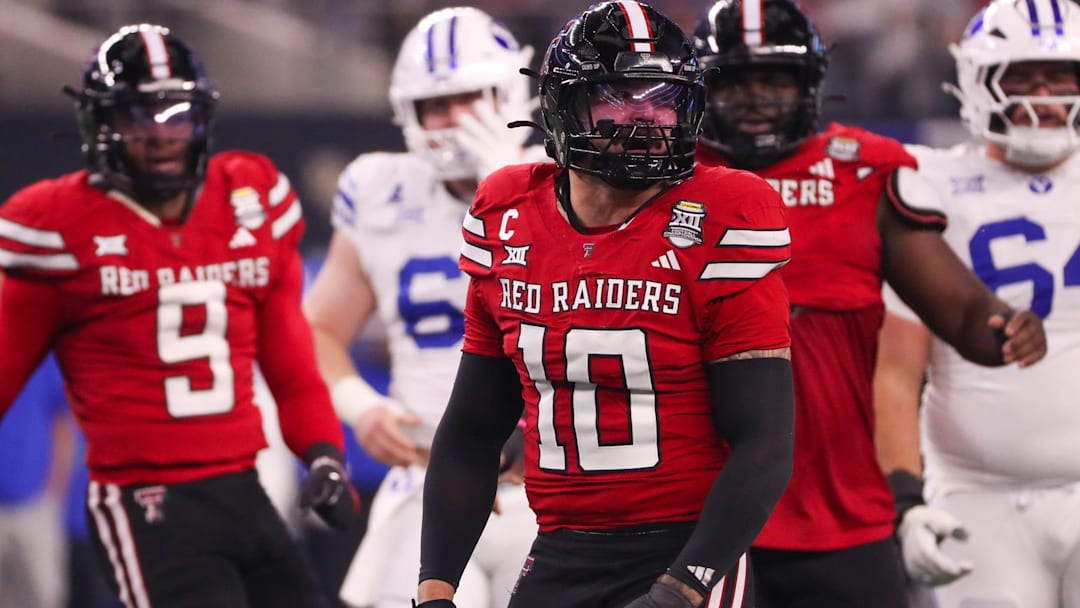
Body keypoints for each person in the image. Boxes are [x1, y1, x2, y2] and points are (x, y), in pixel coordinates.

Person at [416, 2, 798, 607]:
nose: (645, 120)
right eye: (619, 98)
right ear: (566, 107)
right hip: (562, 547)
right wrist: (434, 588)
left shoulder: (723, 218)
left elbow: (766, 441)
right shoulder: (508, 216)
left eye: (662, 100)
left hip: (685, 547)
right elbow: (470, 428)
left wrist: (682, 588)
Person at [690, 1, 1047, 606]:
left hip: (839, 510)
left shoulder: (866, 171)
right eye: (734, 81)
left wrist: (1003, 328)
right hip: (698, 514)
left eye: (773, 80)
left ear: (809, 85)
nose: (755, 98)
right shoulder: (663, 179)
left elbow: (963, 314)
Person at [0, 24, 357, 608]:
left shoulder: (250, 198)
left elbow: (292, 369)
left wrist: (323, 453)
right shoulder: (59, 224)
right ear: (102, 126)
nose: (163, 136)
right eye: (141, 116)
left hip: (244, 490)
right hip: (145, 500)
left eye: (177, 115)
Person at [302, 7, 541, 608]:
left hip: (550, 485)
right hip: (426, 483)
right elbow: (319, 329)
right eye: (437, 104)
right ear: (406, 113)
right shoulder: (381, 189)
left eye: (472, 98)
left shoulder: (567, 179)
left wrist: (506, 186)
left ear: (512, 90)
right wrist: (361, 407)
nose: (455, 120)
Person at [875, 1, 1080, 606]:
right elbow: (895, 371)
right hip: (978, 497)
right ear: (978, 78)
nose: (1042, 94)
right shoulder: (926, 184)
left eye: (1061, 75)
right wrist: (906, 500)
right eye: (1021, 75)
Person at [0, 353, 72, 608]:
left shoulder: (38, 354)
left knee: (45, 596)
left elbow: (63, 422)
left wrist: (53, 494)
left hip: (36, 504)